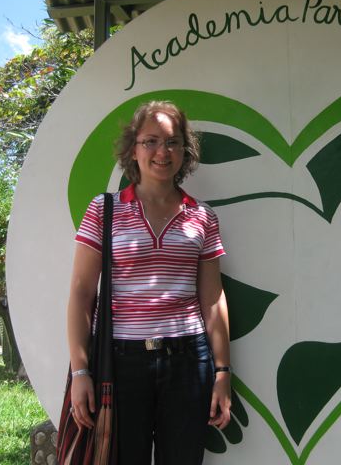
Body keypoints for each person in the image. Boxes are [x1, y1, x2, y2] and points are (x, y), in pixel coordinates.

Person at [66, 101, 231, 464]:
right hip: (120, 364)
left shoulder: (203, 217)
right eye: (151, 141)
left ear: (184, 151)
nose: (162, 151)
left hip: (189, 362)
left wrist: (222, 371)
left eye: (172, 142)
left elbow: (212, 298)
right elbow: (81, 294)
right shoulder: (104, 210)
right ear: (133, 149)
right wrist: (80, 371)